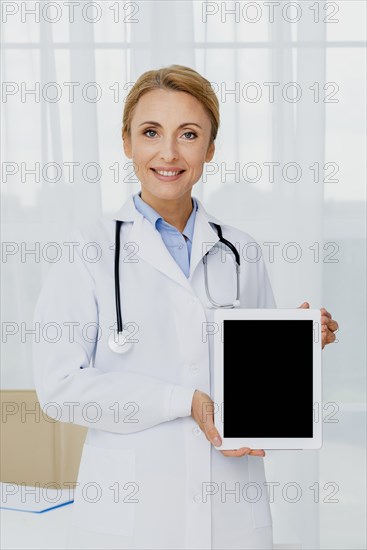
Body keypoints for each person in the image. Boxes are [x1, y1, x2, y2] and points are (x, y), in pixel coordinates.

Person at [32, 64, 338, 550]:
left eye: (189, 134)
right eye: (151, 132)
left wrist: (296, 347)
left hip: (232, 511)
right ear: (127, 143)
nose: (168, 153)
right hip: (130, 519)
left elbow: (254, 385)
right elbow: (60, 387)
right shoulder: (86, 251)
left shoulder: (241, 250)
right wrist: (183, 402)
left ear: (210, 148)